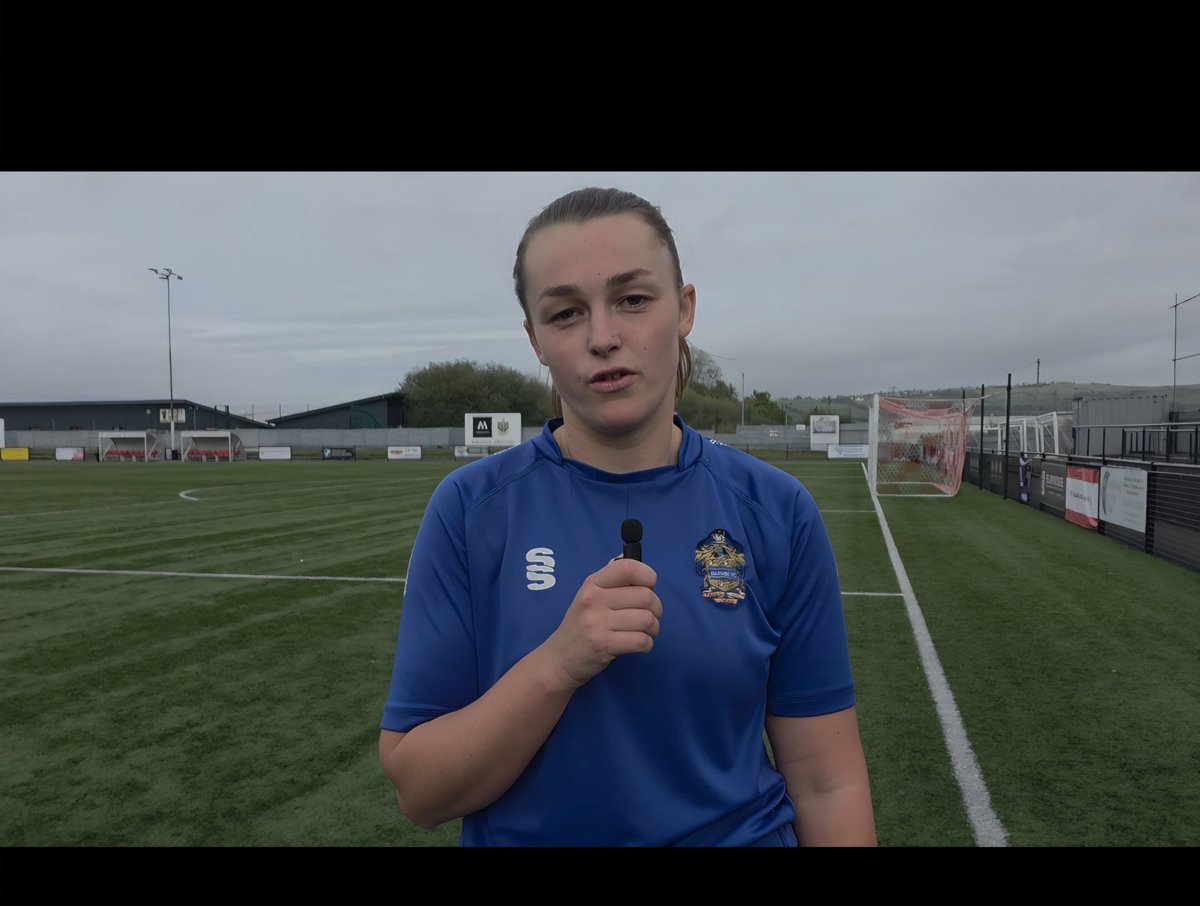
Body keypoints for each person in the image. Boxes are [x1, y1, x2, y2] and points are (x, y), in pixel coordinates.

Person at [378, 186, 876, 847]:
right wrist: (557, 664)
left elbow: (826, 782)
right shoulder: (471, 510)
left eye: (633, 300)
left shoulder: (776, 511)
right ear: (535, 338)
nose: (603, 337)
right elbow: (421, 792)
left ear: (685, 309)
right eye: (565, 314)